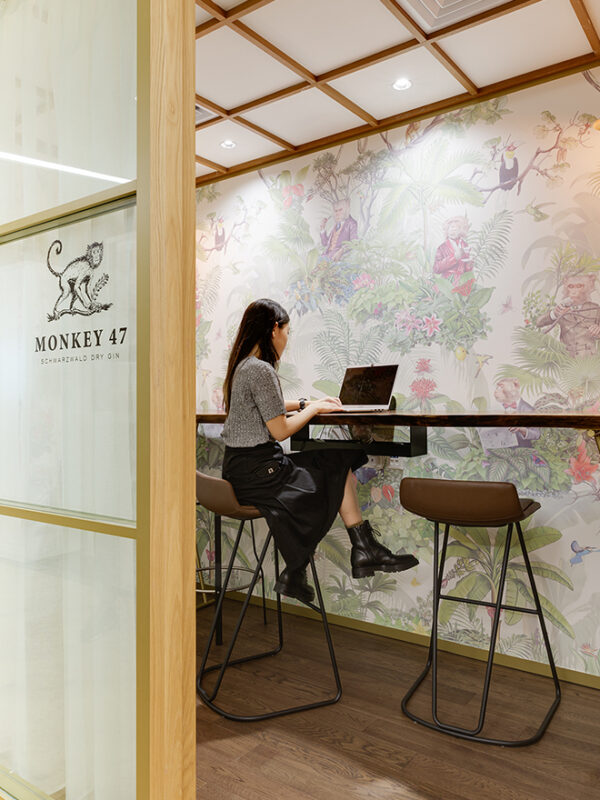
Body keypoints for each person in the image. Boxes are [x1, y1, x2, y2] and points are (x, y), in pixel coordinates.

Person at [221, 298, 418, 604]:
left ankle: (357, 549)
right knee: (337, 466)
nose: (287, 338)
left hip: (241, 470)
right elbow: (280, 430)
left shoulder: (244, 366)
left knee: (337, 464)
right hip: (261, 474)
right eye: (287, 331)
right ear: (275, 330)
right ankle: (340, 556)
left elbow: (267, 404)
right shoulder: (261, 370)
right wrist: (313, 410)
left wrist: (304, 403)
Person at [536, 273, 600, 357]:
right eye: (571, 286)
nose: (574, 291)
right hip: (566, 359)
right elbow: (539, 323)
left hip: (589, 359)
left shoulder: (595, 308)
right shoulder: (561, 308)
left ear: (587, 288)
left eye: (579, 286)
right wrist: (554, 314)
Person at [433, 216, 473, 286]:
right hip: (447, 283)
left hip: (462, 282)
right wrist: (454, 258)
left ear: (461, 230)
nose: (452, 230)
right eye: (450, 228)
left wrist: (469, 265)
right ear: (447, 231)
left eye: (456, 228)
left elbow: (467, 270)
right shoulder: (442, 247)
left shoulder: (465, 245)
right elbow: (436, 268)